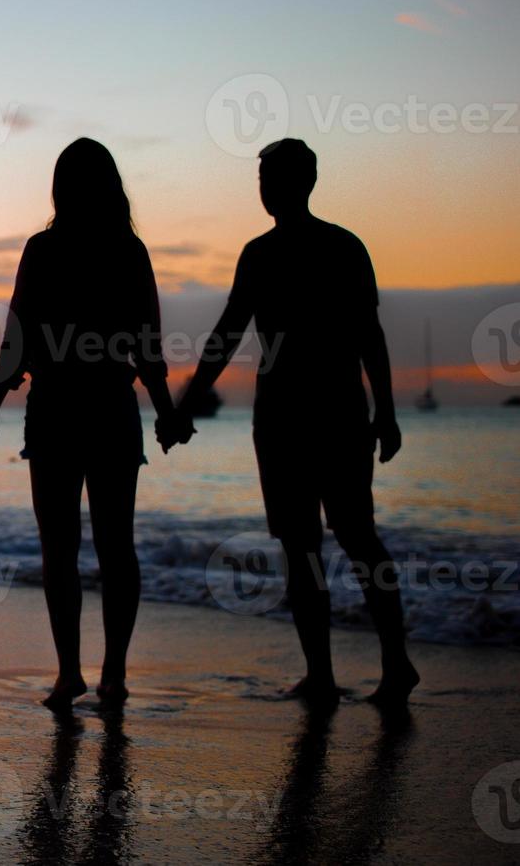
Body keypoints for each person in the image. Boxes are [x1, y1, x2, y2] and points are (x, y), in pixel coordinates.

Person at [172, 138, 419, 707]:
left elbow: (367, 335)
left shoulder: (327, 249)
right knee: (308, 545)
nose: (264, 190)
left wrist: (387, 411)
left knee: (354, 539)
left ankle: (390, 664)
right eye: (261, 180)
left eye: (272, 179)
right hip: (290, 417)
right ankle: (325, 675)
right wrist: (185, 406)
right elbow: (228, 335)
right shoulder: (274, 252)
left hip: (327, 413)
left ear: (301, 183)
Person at [0, 138, 189, 711]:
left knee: (59, 547)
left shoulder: (44, 250)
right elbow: (148, 346)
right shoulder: (127, 251)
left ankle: (70, 673)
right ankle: (112, 674)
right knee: (117, 547)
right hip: (111, 409)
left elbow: (16, 341)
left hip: (58, 410)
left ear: (59, 189)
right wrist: (164, 411)